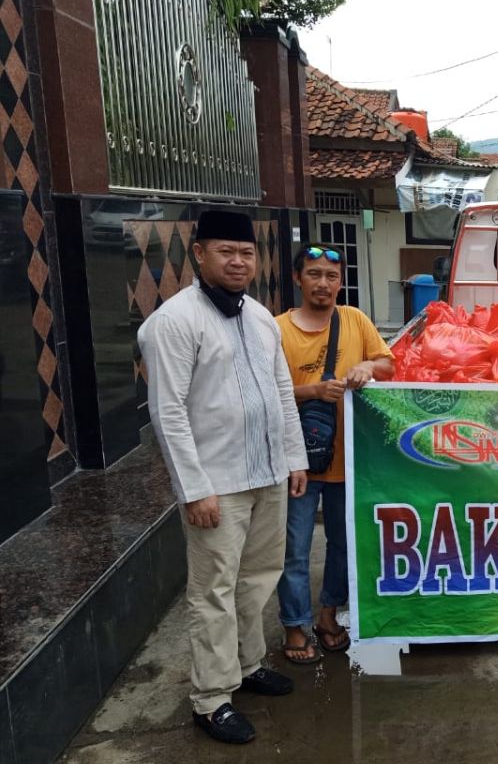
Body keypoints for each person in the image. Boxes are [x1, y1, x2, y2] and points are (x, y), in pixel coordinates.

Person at [137, 210, 308, 745]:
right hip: (218, 484)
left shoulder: (260, 317)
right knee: (212, 590)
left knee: (258, 577)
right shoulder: (174, 322)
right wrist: (194, 489)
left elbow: (281, 392)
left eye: (247, 253)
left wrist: (294, 457)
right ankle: (211, 699)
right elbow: (168, 413)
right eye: (225, 252)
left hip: (268, 474)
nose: (238, 261)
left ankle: (248, 663)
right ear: (199, 254)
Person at [275, 246, 394, 664]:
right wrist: (310, 391)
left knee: (344, 546)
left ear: (340, 282)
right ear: (297, 278)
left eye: (330, 275)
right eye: (313, 274)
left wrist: (368, 367)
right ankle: (294, 626)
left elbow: (388, 363)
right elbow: (265, 394)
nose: (322, 283)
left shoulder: (355, 321)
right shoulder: (275, 330)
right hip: (298, 464)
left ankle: (328, 616)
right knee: (295, 549)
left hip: (349, 461)